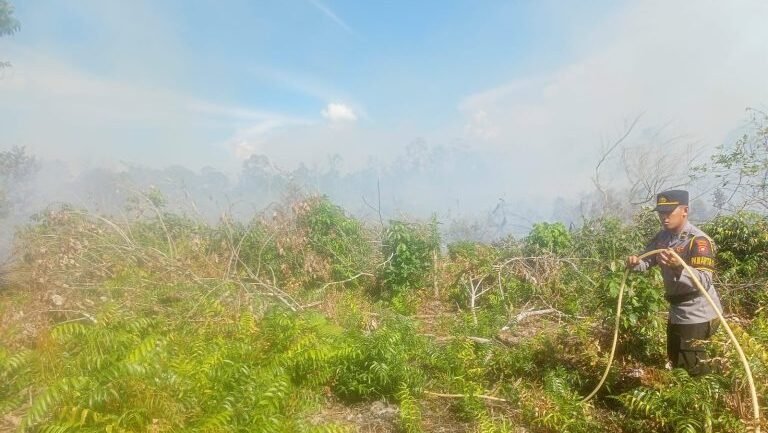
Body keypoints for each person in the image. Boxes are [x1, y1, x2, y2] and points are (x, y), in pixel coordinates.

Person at [627, 190, 722, 375]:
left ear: (684, 211)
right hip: (676, 311)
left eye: (669, 212)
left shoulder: (698, 241)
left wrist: (680, 267)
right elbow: (647, 261)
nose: (664, 217)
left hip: (697, 313)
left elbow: (704, 280)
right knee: (674, 358)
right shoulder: (662, 237)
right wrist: (634, 262)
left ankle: (699, 401)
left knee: (692, 367)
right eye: (661, 213)